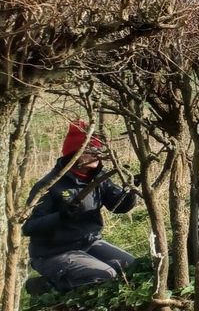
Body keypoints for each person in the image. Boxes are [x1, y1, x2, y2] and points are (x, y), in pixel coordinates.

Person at [22, 121, 139, 294]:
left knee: (133, 268)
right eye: (91, 151)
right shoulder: (49, 185)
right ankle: (48, 286)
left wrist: (130, 192)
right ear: (75, 153)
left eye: (98, 150)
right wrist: (60, 217)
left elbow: (117, 206)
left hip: (90, 243)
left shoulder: (98, 177)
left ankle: (78, 275)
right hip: (53, 253)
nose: (97, 154)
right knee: (106, 275)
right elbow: (28, 227)